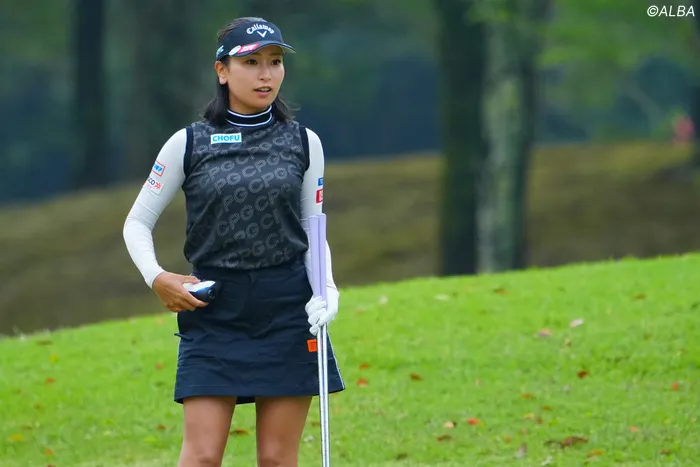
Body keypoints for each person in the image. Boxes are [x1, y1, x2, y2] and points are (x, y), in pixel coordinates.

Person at [122, 16, 345, 467]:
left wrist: (327, 289)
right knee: (202, 457)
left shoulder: (305, 142)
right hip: (214, 310)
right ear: (222, 71)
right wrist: (157, 277)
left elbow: (313, 227)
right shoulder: (188, 143)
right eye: (252, 62)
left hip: (286, 308)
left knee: (277, 459)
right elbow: (137, 222)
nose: (267, 74)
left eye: (275, 62)